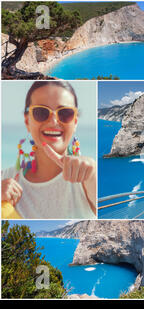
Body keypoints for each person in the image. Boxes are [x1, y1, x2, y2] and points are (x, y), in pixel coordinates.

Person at [1, 81, 96, 219]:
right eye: (41, 112)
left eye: (65, 113)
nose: (53, 121)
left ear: (75, 122)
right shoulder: (4, 178)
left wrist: (92, 175)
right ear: (27, 121)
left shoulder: (88, 178)